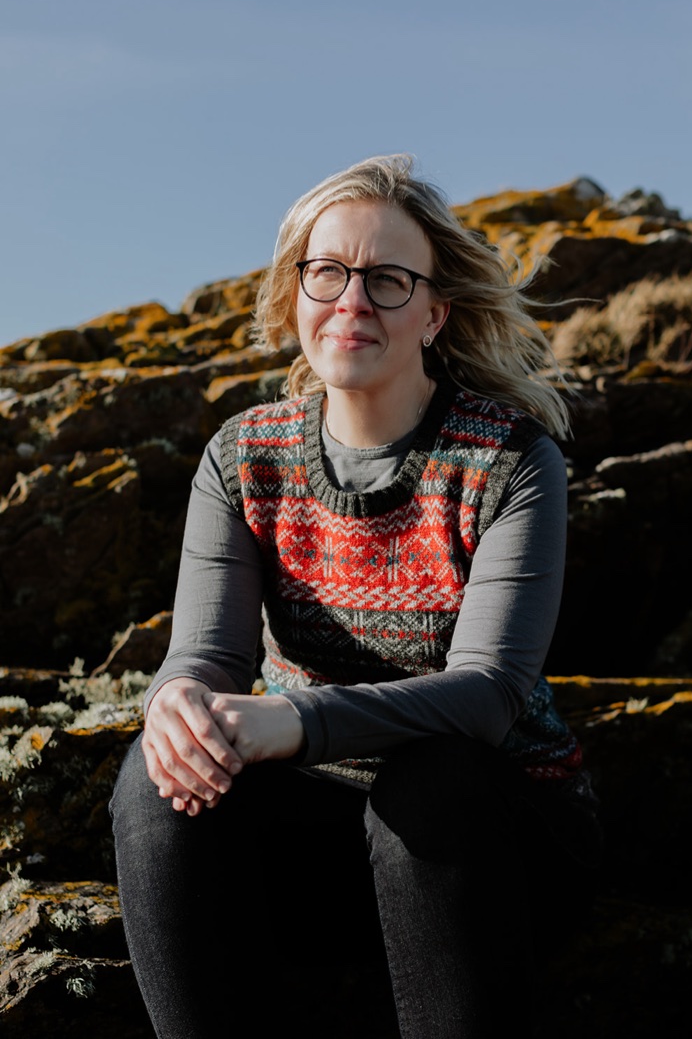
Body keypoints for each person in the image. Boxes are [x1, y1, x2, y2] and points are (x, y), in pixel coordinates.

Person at [110, 154, 600, 1038]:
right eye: (327, 271)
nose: (352, 299)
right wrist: (177, 703)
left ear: (434, 312)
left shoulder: (509, 461)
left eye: (387, 279)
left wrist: (294, 721)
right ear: (296, 292)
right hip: (321, 848)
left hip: (495, 847)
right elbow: (206, 657)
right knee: (158, 782)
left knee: (433, 776)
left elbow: (488, 692)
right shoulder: (244, 456)